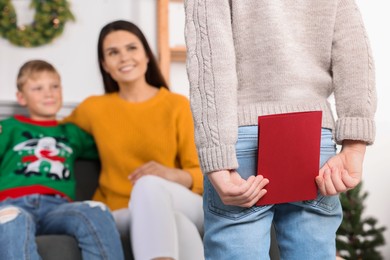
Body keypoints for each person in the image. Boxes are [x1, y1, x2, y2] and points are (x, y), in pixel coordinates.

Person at [184, 0, 376, 259]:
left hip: (241, 142)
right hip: (311, 139)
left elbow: (210, 53)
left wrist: (217, 156)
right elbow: (353, 48)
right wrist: (354, 145)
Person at [63, 20, 204, 260]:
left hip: (185, 201)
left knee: (148, 185)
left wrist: (173, 175)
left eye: (131, 48)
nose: (124, 57)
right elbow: (51, 135)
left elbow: (203, 175)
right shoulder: (94, 109)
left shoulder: (177, 106)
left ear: (146, 55)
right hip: (121, 212)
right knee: (174, 222)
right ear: (105, 65)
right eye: (113, 52)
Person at [0, 60, 124, 260]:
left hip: (57, 207)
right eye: (38, 88)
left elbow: (111, 149)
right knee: (10, 220)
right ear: (21, 98)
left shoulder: (71, 132)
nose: (49, 93)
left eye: (54, 86)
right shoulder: (9, 128)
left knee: (96, 211)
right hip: (13, 202)